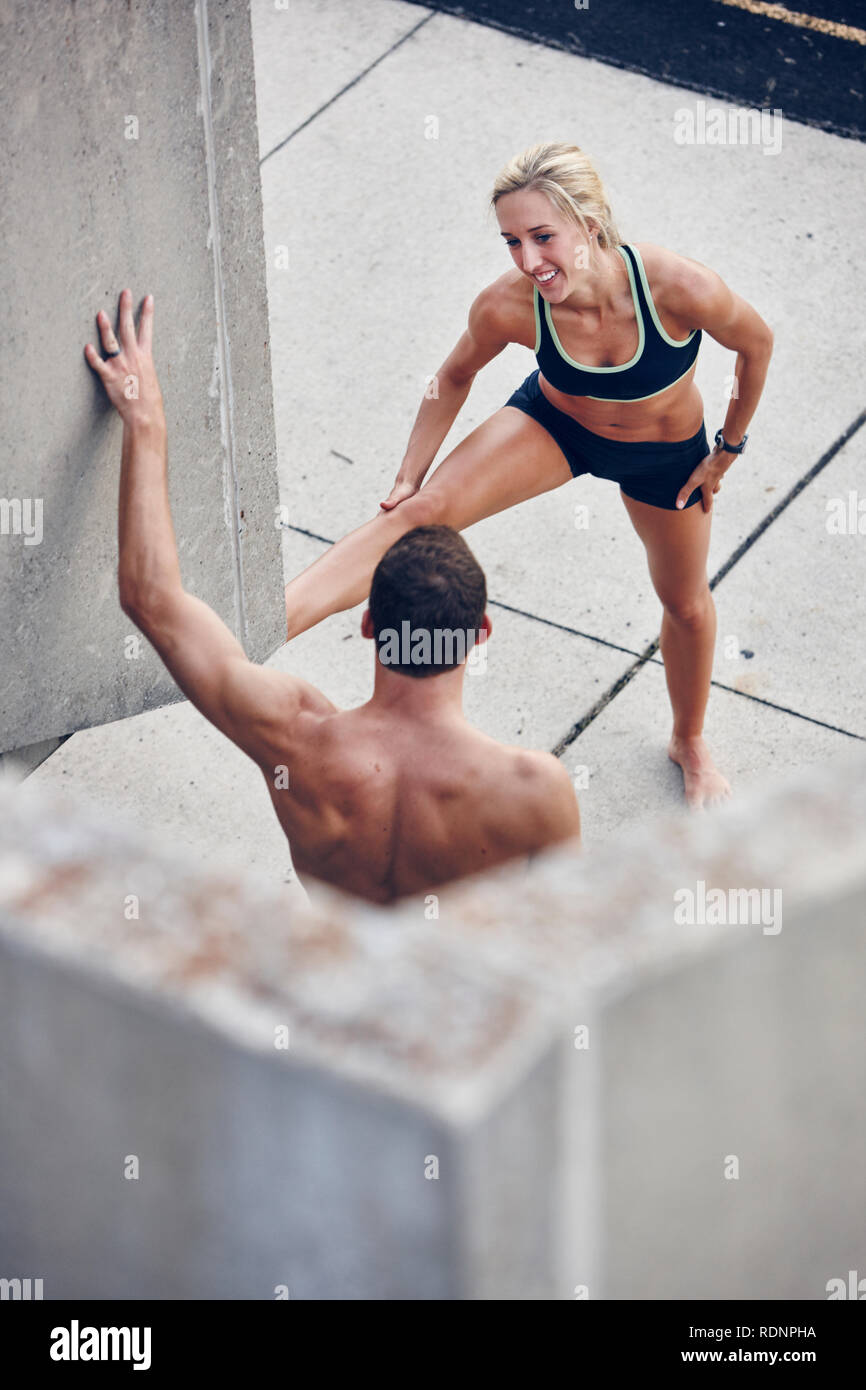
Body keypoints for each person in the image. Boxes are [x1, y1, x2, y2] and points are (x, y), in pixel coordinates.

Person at [280, 141, 774, 810]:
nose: (528, 261)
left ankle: (690, 742)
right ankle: (264, 628)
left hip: (663, 453)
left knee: (686, 604)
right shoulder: (508, 305)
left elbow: (756, 342)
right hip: (556, 427)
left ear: (590, 226)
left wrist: (729, 447)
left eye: (543, 237)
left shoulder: (678, 288)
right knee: (414, 517)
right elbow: (454, 375)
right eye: (512, 241)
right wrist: (408, 476)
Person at [84, 291, 581, 904]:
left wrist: (146, 420)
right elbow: (566, 942)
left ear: (370, 624)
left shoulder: (294, 736)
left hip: (337, 980)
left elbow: (150, 597)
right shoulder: (534, 790)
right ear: (480, 634)